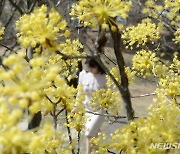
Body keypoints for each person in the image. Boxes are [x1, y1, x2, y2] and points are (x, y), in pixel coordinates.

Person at [77, 58, 107, 154]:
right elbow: (80, 92)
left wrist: (114, 110)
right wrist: (76, 106)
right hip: (87, 110)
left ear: (97, 66)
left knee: (89, 134)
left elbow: (109, 95)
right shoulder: (83, 75)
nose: (89, 69)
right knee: (94, 136)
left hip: (99, 111)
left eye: (92, 67)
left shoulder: (104, 78)